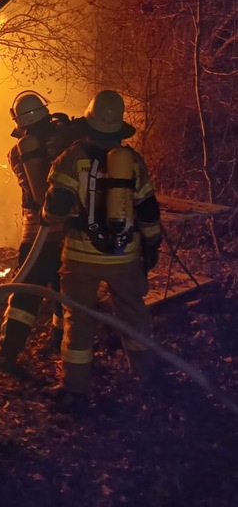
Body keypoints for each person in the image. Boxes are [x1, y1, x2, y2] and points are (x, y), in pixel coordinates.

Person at [41, 89, 162, 410]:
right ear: (119, 126)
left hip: (81, 256)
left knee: (77, 320)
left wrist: (48, 216)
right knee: (134, 316)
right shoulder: (133, 161)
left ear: (89, 123)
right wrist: (151, 244)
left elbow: (56, 205)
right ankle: (149, 378)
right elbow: (148, 209)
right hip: (125, 255)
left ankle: (75, 390)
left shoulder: (72, 156)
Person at [0, 91, 83, 379]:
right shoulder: (63, 136)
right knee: (61, 290)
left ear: (19, 120)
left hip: (39, 231)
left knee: (25, 295)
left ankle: (8, 352)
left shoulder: (24, 146)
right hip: (69, 228)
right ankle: (59, 344)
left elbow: (38, 195)